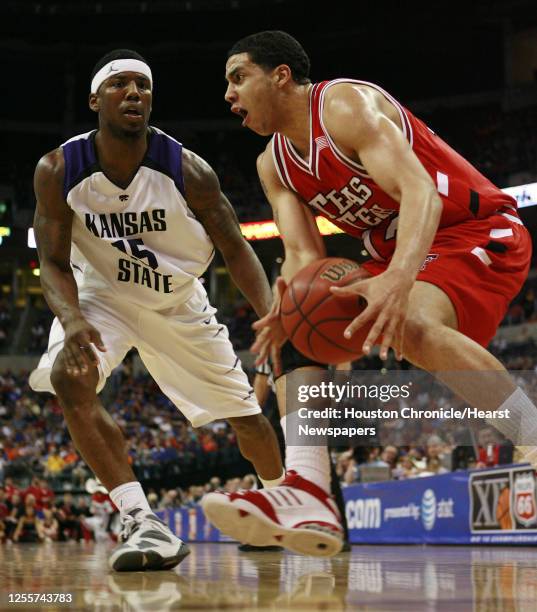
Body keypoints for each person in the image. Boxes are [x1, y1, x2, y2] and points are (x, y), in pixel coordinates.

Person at [203, 30, 537, 555]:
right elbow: (303, 257)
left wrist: (398, 281)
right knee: (298, 315)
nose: (228, 95)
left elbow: (419, 192)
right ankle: (310, 489)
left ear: (281, 75)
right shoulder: (273, 164)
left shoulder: (342, 105)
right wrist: (282, 309)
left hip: (471, 229)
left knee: (408, 322)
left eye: (238, 77)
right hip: (401, 254)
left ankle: (532, 434)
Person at [29, 48, 285, 571]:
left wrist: (271, 318)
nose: (134, 95)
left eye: (143, 87)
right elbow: (52, 260)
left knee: (248, 420)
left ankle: (285, 504)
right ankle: (142, 522)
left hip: (177, 303)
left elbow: (236, 248)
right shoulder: (59, 169)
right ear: (96, 99)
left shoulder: (187, 169)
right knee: (68, 377)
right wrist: (72, 318)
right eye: (120, 85)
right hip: (102, 299)